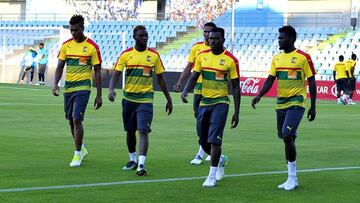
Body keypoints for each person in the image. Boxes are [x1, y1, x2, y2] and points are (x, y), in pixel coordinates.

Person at [251, 25, 317, 191]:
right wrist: (259, 95)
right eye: (278, 37)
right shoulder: (277, 58)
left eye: (282, 38)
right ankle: (292, 178)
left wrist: (313, 106)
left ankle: (292, 178)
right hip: (281, 103)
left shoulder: (303, 57)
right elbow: (270, 79)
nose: (279, 40)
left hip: (297, 102)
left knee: (287, 136)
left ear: (291, 39)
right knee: (287, 139)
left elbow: (312, 82)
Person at [108, 25, 173, 176]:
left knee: (143, 130)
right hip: (128, 99)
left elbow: (161, 79)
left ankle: (141, 165)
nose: (144, 38)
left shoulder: (154, 56)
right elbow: (116, 74)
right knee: (130, 131)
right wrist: (111, 90)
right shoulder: (126, 55)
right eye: (141, 36)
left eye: (146, 35)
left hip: (146, 99)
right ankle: (132, 159)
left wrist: (168, 99)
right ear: (134, 37)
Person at [181, 27, 240, 187]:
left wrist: (236, 112)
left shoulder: (230, 60)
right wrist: (186, 90)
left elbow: (235, 87)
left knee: (214, 140)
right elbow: (194, 77)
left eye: (216, 38)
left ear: (223, 40)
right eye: (211, 38)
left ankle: (212, 176)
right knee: (203, 140)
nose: (212, 41)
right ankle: (220, 160)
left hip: (221, 103)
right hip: (204, 102)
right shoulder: (201, 56)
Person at [52, 14, 103, 167]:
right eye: (71, 30)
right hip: (69, 88)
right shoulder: (66, 45)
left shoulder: (92, 47)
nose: (73, 33)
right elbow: (60, 66)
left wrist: (99, 95)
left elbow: (98, 71)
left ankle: (77, 155)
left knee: (76, 118)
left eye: (76, 30)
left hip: (84, 88)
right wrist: (55, 84)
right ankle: (81, 148)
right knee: (70, 120)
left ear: (83, 28)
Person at [174, 22, 217, 165]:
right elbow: (189, 67)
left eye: (209, 32)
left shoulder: (218, 49)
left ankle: (201, 153)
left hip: (211, 90)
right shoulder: (196, 48)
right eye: (205, 31)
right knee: (200, 120)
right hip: (198, 89)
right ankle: (210, 149)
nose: (206, 34)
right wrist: (181, 83)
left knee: (209, 121)